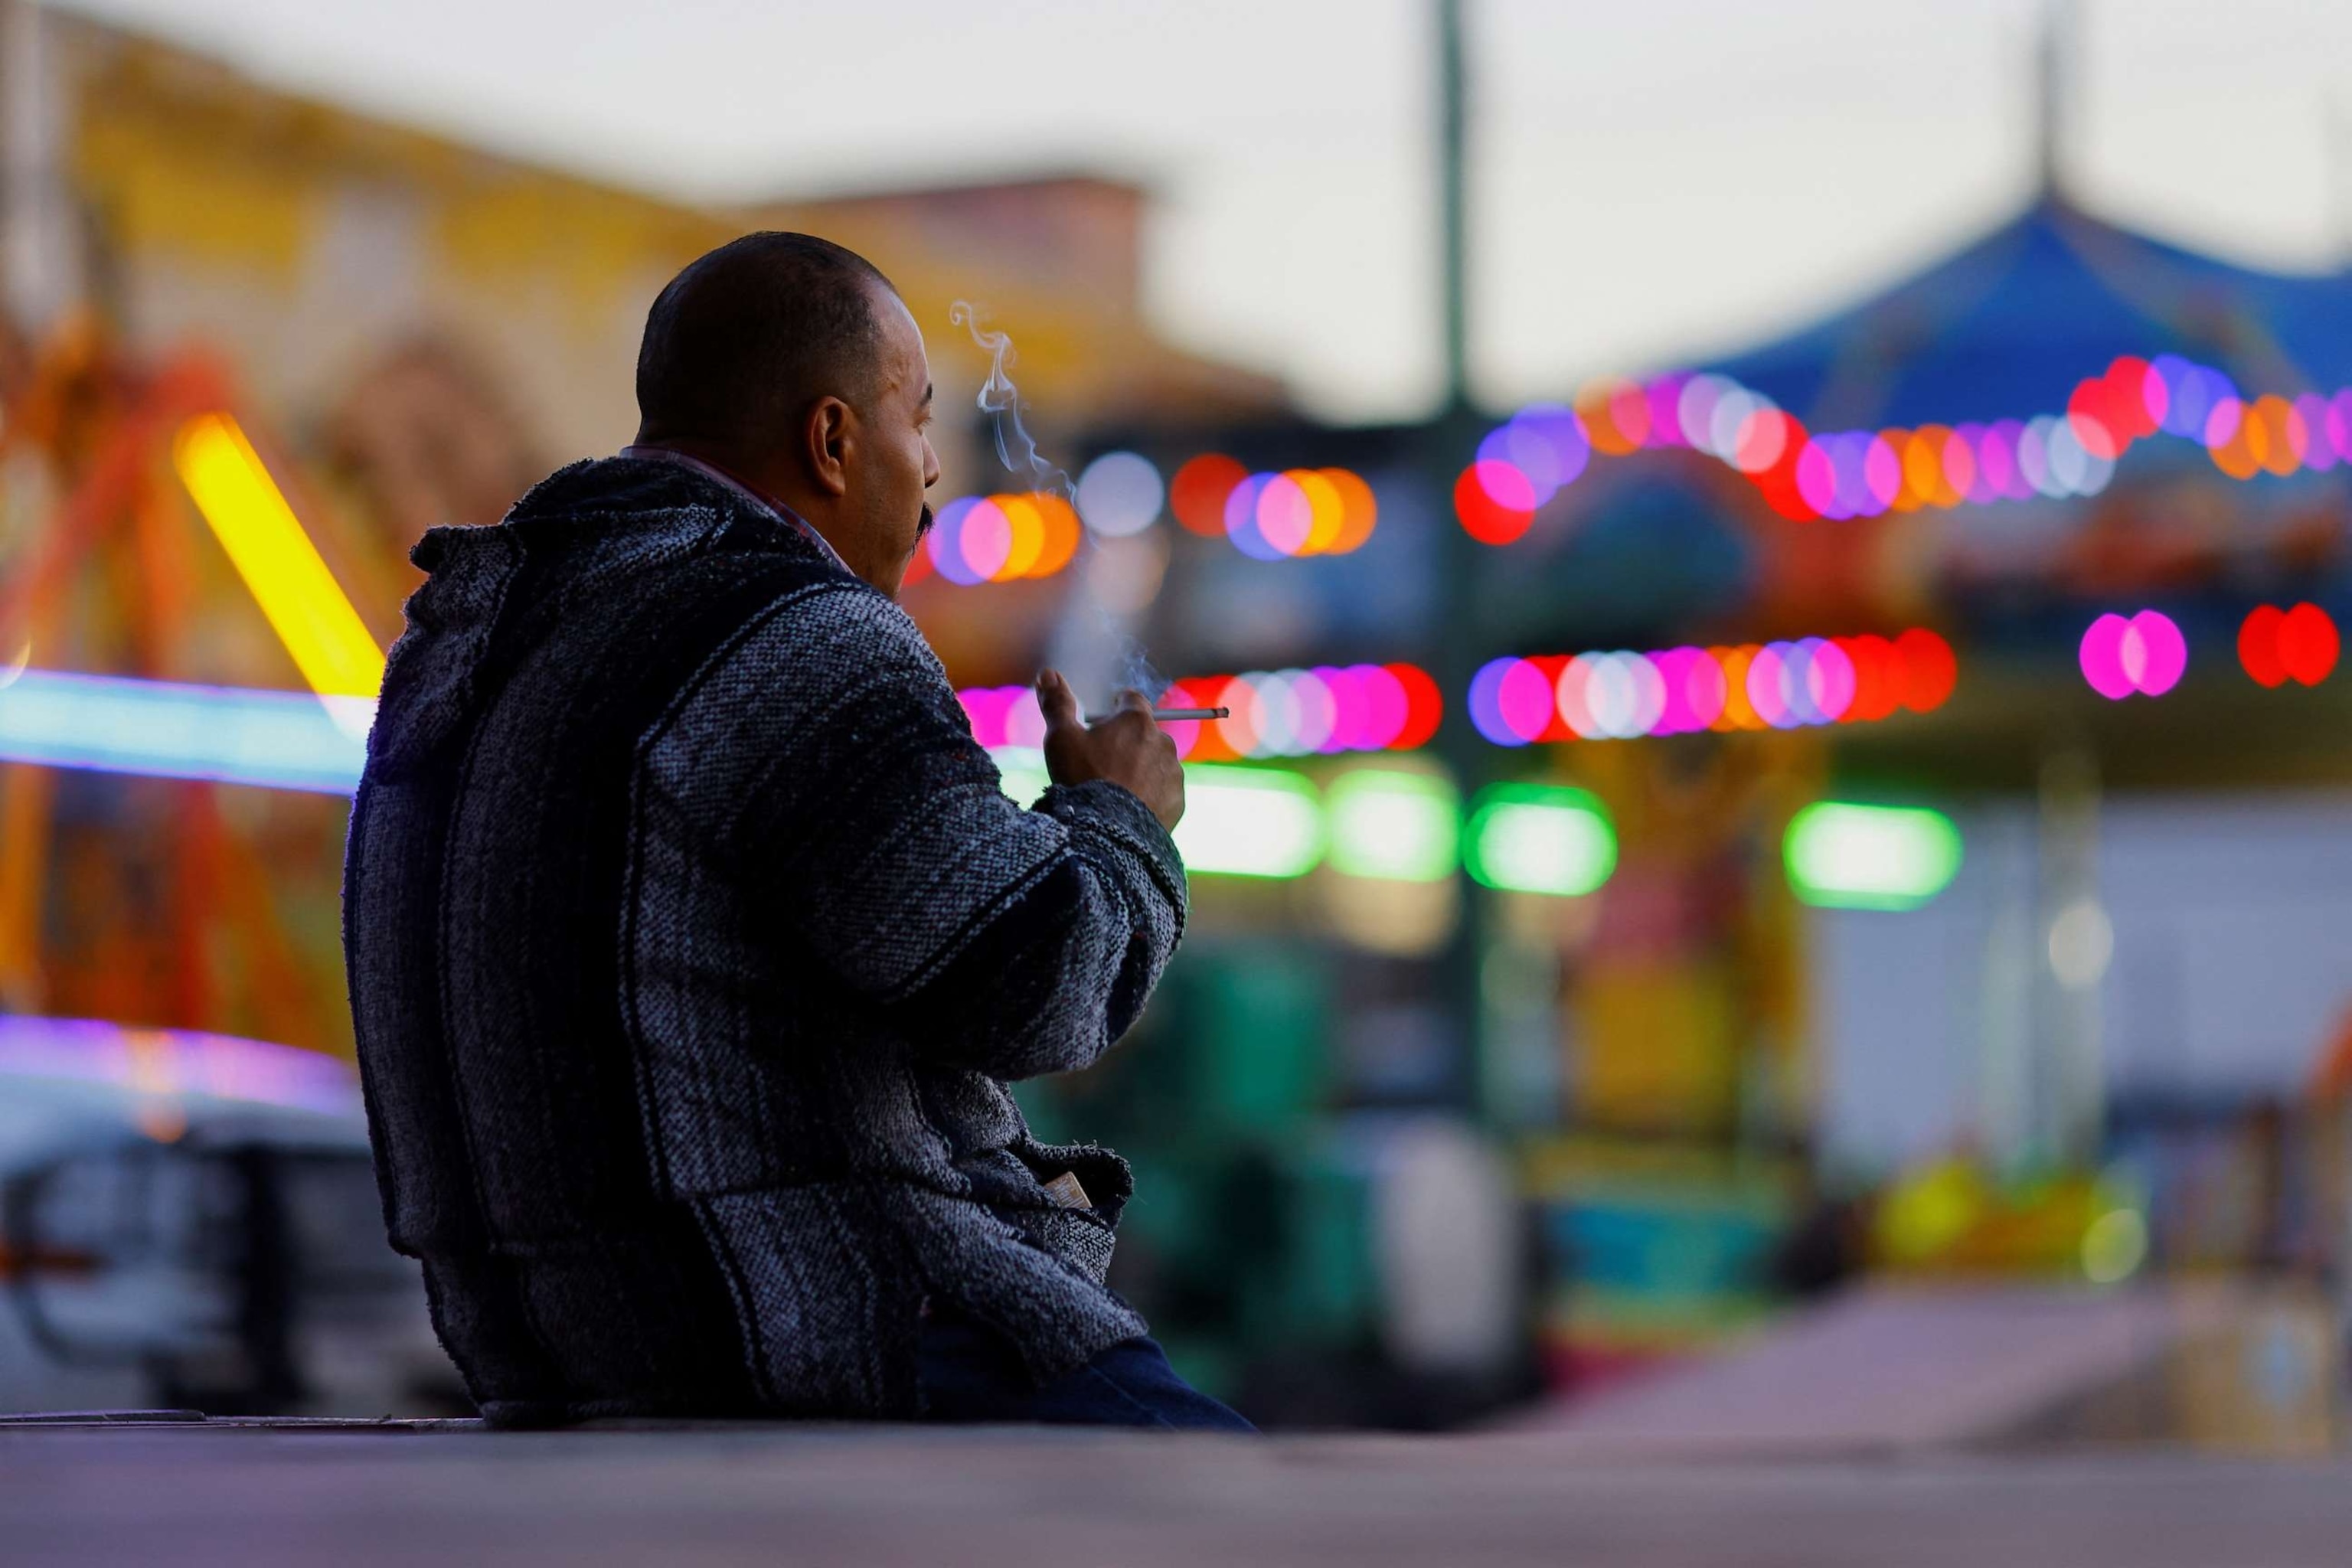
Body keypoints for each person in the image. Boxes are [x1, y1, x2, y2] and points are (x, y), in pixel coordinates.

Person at [342, 232, 1250, 1432]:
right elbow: (1031, 982)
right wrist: (1120, 817)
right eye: (916, 423)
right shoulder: (793, 630)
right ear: (831, 442)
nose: (932, 477)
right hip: (844, 1334)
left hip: (551, 1361)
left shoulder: (462, 640)